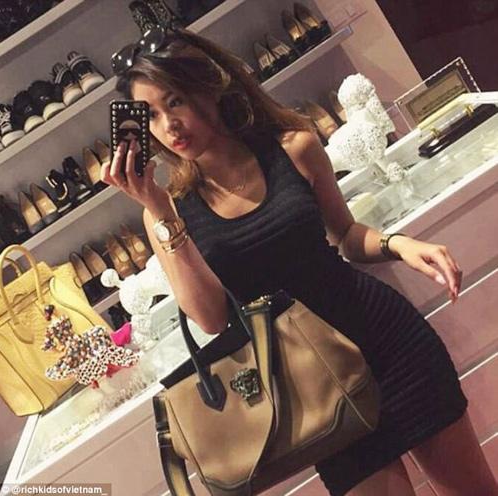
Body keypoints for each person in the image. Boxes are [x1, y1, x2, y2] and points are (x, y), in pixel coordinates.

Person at [103, 26, 498, 496]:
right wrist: (161, 211)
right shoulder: (166, 212)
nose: (169, 125)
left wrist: (399, 244)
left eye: (176, 101)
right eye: (150, 115)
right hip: (316, 385)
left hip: (388, 341)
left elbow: (345, 234)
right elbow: (210, 318)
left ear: (209, 86)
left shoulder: (293, 147)